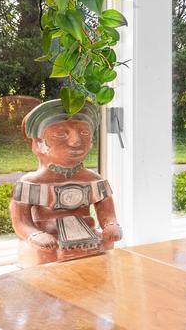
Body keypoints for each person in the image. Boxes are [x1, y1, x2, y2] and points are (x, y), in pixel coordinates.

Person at [8, 99, 120, 265]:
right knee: (46, 255)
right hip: (49, 240)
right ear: (39, 144)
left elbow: (107, 210)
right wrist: (35, 235)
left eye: (84, 133)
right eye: (60, 134)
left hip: (87, 236)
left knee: (104, 248)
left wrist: (110, 225)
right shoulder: (31, 183)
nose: (76, 141)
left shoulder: (94, 180)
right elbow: (21, 221)